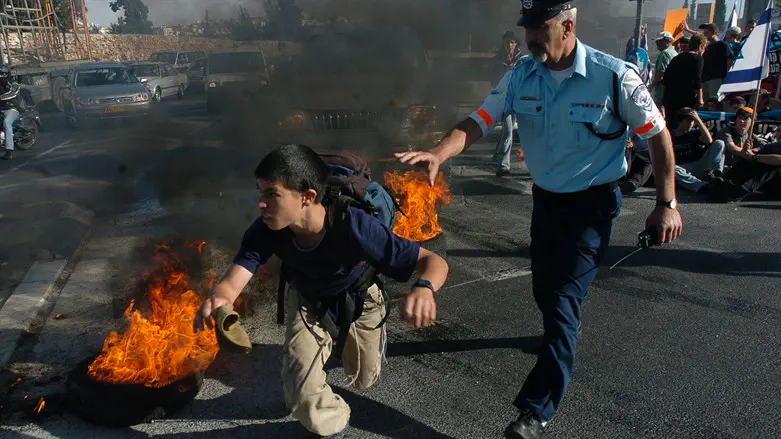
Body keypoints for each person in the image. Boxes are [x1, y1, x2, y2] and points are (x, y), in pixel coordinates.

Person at [395, 2, 683, 438]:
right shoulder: (521, 74)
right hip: (546, 201)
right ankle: (554, 335)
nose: (530, 39)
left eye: (539, 29)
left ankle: (537, 410)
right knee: (545, 289)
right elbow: (479, 120)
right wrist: (438, 152)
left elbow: (658, 135)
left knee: (564, 302)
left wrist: (667, 203)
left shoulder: (614, 76)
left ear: (568, 26)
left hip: (592, 207)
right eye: (526, 29)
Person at [193, 145, 449, 437]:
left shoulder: (352, 223)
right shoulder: (266, 228)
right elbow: (236, 276)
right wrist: (222, 297)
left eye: (271, 195)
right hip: (307, 299)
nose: (260, 204)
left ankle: (367, 342)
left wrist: (425, 287)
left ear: (308, 197)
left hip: (360, 299)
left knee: (363, 378)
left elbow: (432, 261)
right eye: (260, 193)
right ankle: (334, 421)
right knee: (301, 395)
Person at [710, 127, 781, 201]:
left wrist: (754, 157)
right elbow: (751, 155)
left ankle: (738, 191)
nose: (780, 133)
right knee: (753, 160)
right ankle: (725, 181)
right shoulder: (772, 146)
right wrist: (745, 151)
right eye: (779, 130)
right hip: (771, 185)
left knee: (770, 163)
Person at [670, 108, 725, 194]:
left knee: (719, 143)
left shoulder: (694, 133)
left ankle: (714, 175)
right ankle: (703, 186)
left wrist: (698, 121)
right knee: (673, 169)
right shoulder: (671, 135)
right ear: (680, 121)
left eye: (693, 121)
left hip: (701, 165)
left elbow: (708, 140)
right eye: (688, 121)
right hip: (684, 168)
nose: (691, 124)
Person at [495, 30, 523, 176]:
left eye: (512, 42)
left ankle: (498, 155)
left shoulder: (522, 59)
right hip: (503, 99)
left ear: (516, 44)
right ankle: (503, 166)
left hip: (517, 99)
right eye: (507, 42)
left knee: (509, 131)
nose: (509, 45)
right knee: (507, 131)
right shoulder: (498, 59)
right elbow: (492, 78)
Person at [662, 34, 705, 129]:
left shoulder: (676, 58)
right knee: (686, 124)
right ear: (701, 46)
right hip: (686, 97)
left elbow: (665, 79)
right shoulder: (698, 59)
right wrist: (700, 98)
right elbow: (697, 79)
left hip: (670, 97)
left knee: (672, 125)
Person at [696, 23, 733, 100]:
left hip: (716, 79)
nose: (704, 35)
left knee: (715, 101)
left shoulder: (722, 45)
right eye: (704, 33)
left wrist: (727, 77)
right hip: (705, 79)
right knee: (705, 102)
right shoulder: (706, 46)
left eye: (706, 33)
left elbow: (730, 59)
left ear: (714, 33)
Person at [649, 31, 678, 105]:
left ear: (667, 41)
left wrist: (652, 85)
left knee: (661, 111)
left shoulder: (664, 54)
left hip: (662, 91)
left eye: (659, 41)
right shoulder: (675, 53)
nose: (657, 43)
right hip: (672, 89)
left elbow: (661, 73)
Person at [0, 65, 22, 161]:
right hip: (1, 108)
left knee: (7, 122)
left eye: (3, 74)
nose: (1, 76)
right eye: (0, 74)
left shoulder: (13, 83)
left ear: (7, 74)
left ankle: (9, 151)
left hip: (12, 108)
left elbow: (14, 93)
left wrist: (1, 98)